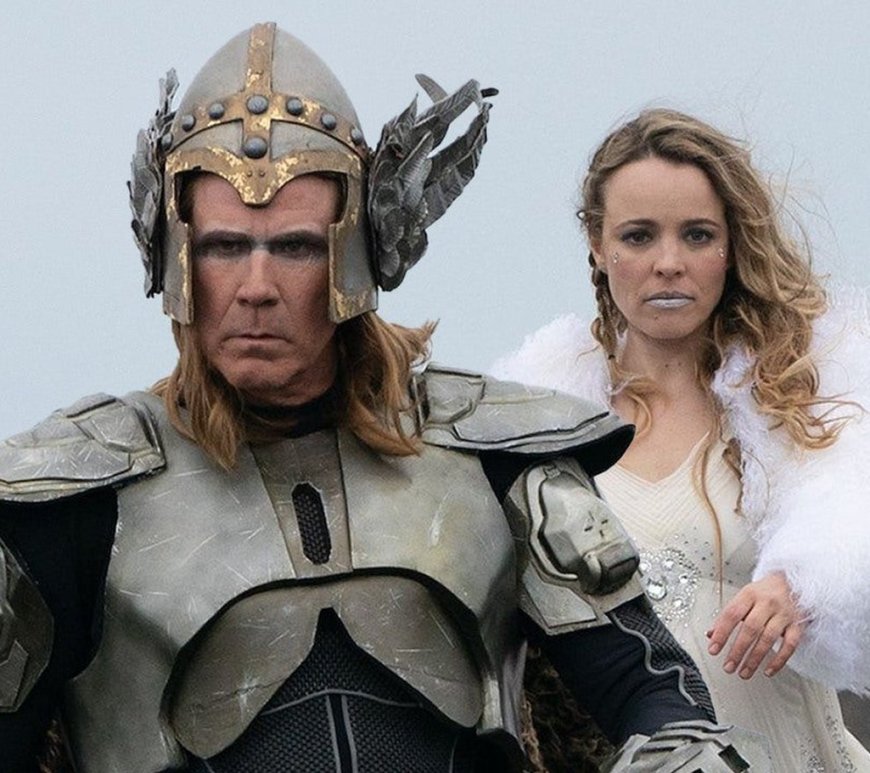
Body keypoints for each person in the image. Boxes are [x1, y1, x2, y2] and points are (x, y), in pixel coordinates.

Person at [0, 27, 770, 773]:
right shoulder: (77, 499)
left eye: (295, 247)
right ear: (176, 261)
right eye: (224, 246)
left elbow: (659, 700)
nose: (256, 287)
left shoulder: (494, 456)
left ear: (354, 260)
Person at [492, 107, 870, 771]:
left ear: (732, 245)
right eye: (638, 236)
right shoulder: (538, 420)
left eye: (697, 235)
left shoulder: (802, 397)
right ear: (597, 245)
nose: (669, 263)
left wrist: (807, 588)